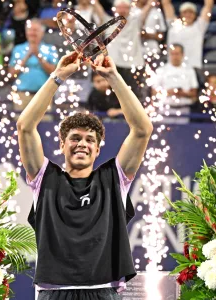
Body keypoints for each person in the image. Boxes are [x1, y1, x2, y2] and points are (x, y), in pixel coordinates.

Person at [16, 51, 152, 299]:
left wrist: (113, 77)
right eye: (75, 138)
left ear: (98, 149)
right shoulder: (44, 177)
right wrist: (57, 76)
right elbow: (25, 127)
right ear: (62, 145)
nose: (82, 144)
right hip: (53, 293)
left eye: (90, 140)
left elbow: (142, 129)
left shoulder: (114, 178)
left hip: (102, 292)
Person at [93, 0, 155, 99]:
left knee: (135, 96)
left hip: (134, 65)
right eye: (120, 7)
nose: (122, 10)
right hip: (114, 65)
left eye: (125, 7)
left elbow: (148, 7)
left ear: (130, 9)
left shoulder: (136, 21)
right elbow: (96, 6)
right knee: (114, 96)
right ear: (115, 9)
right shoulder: (108, 22)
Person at [9, 19, 58, 113]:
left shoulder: (50, 49)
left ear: (42, 32)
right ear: (26, 32)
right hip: (21, 95)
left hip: (44, 95)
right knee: (20, 126)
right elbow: (11, 74)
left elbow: (54, 73)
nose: (32, 33)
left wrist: (38, 56)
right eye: (30, 30)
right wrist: (26, 57)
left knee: (45, 125)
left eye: (35, 30)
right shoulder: (18, 49)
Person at [152, 43, 198, 123]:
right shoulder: (161, 70)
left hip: (184, 110)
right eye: (172, 54)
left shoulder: (190, 70)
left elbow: (194, 92)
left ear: (182, 54)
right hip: (165, 110)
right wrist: (169, 92)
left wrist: (181, 93)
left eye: (177, 54)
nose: (175, 57)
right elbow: (154, 92)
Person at [162, 0, 213, 69]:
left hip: (194, 67)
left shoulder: (199, 26)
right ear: (180, 14)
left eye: (191, 12)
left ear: (195, 15)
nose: (188, 15)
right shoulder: (173, 24)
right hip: (173, 68)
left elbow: (208, 6)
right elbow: (166, 4)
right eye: (185, 12)